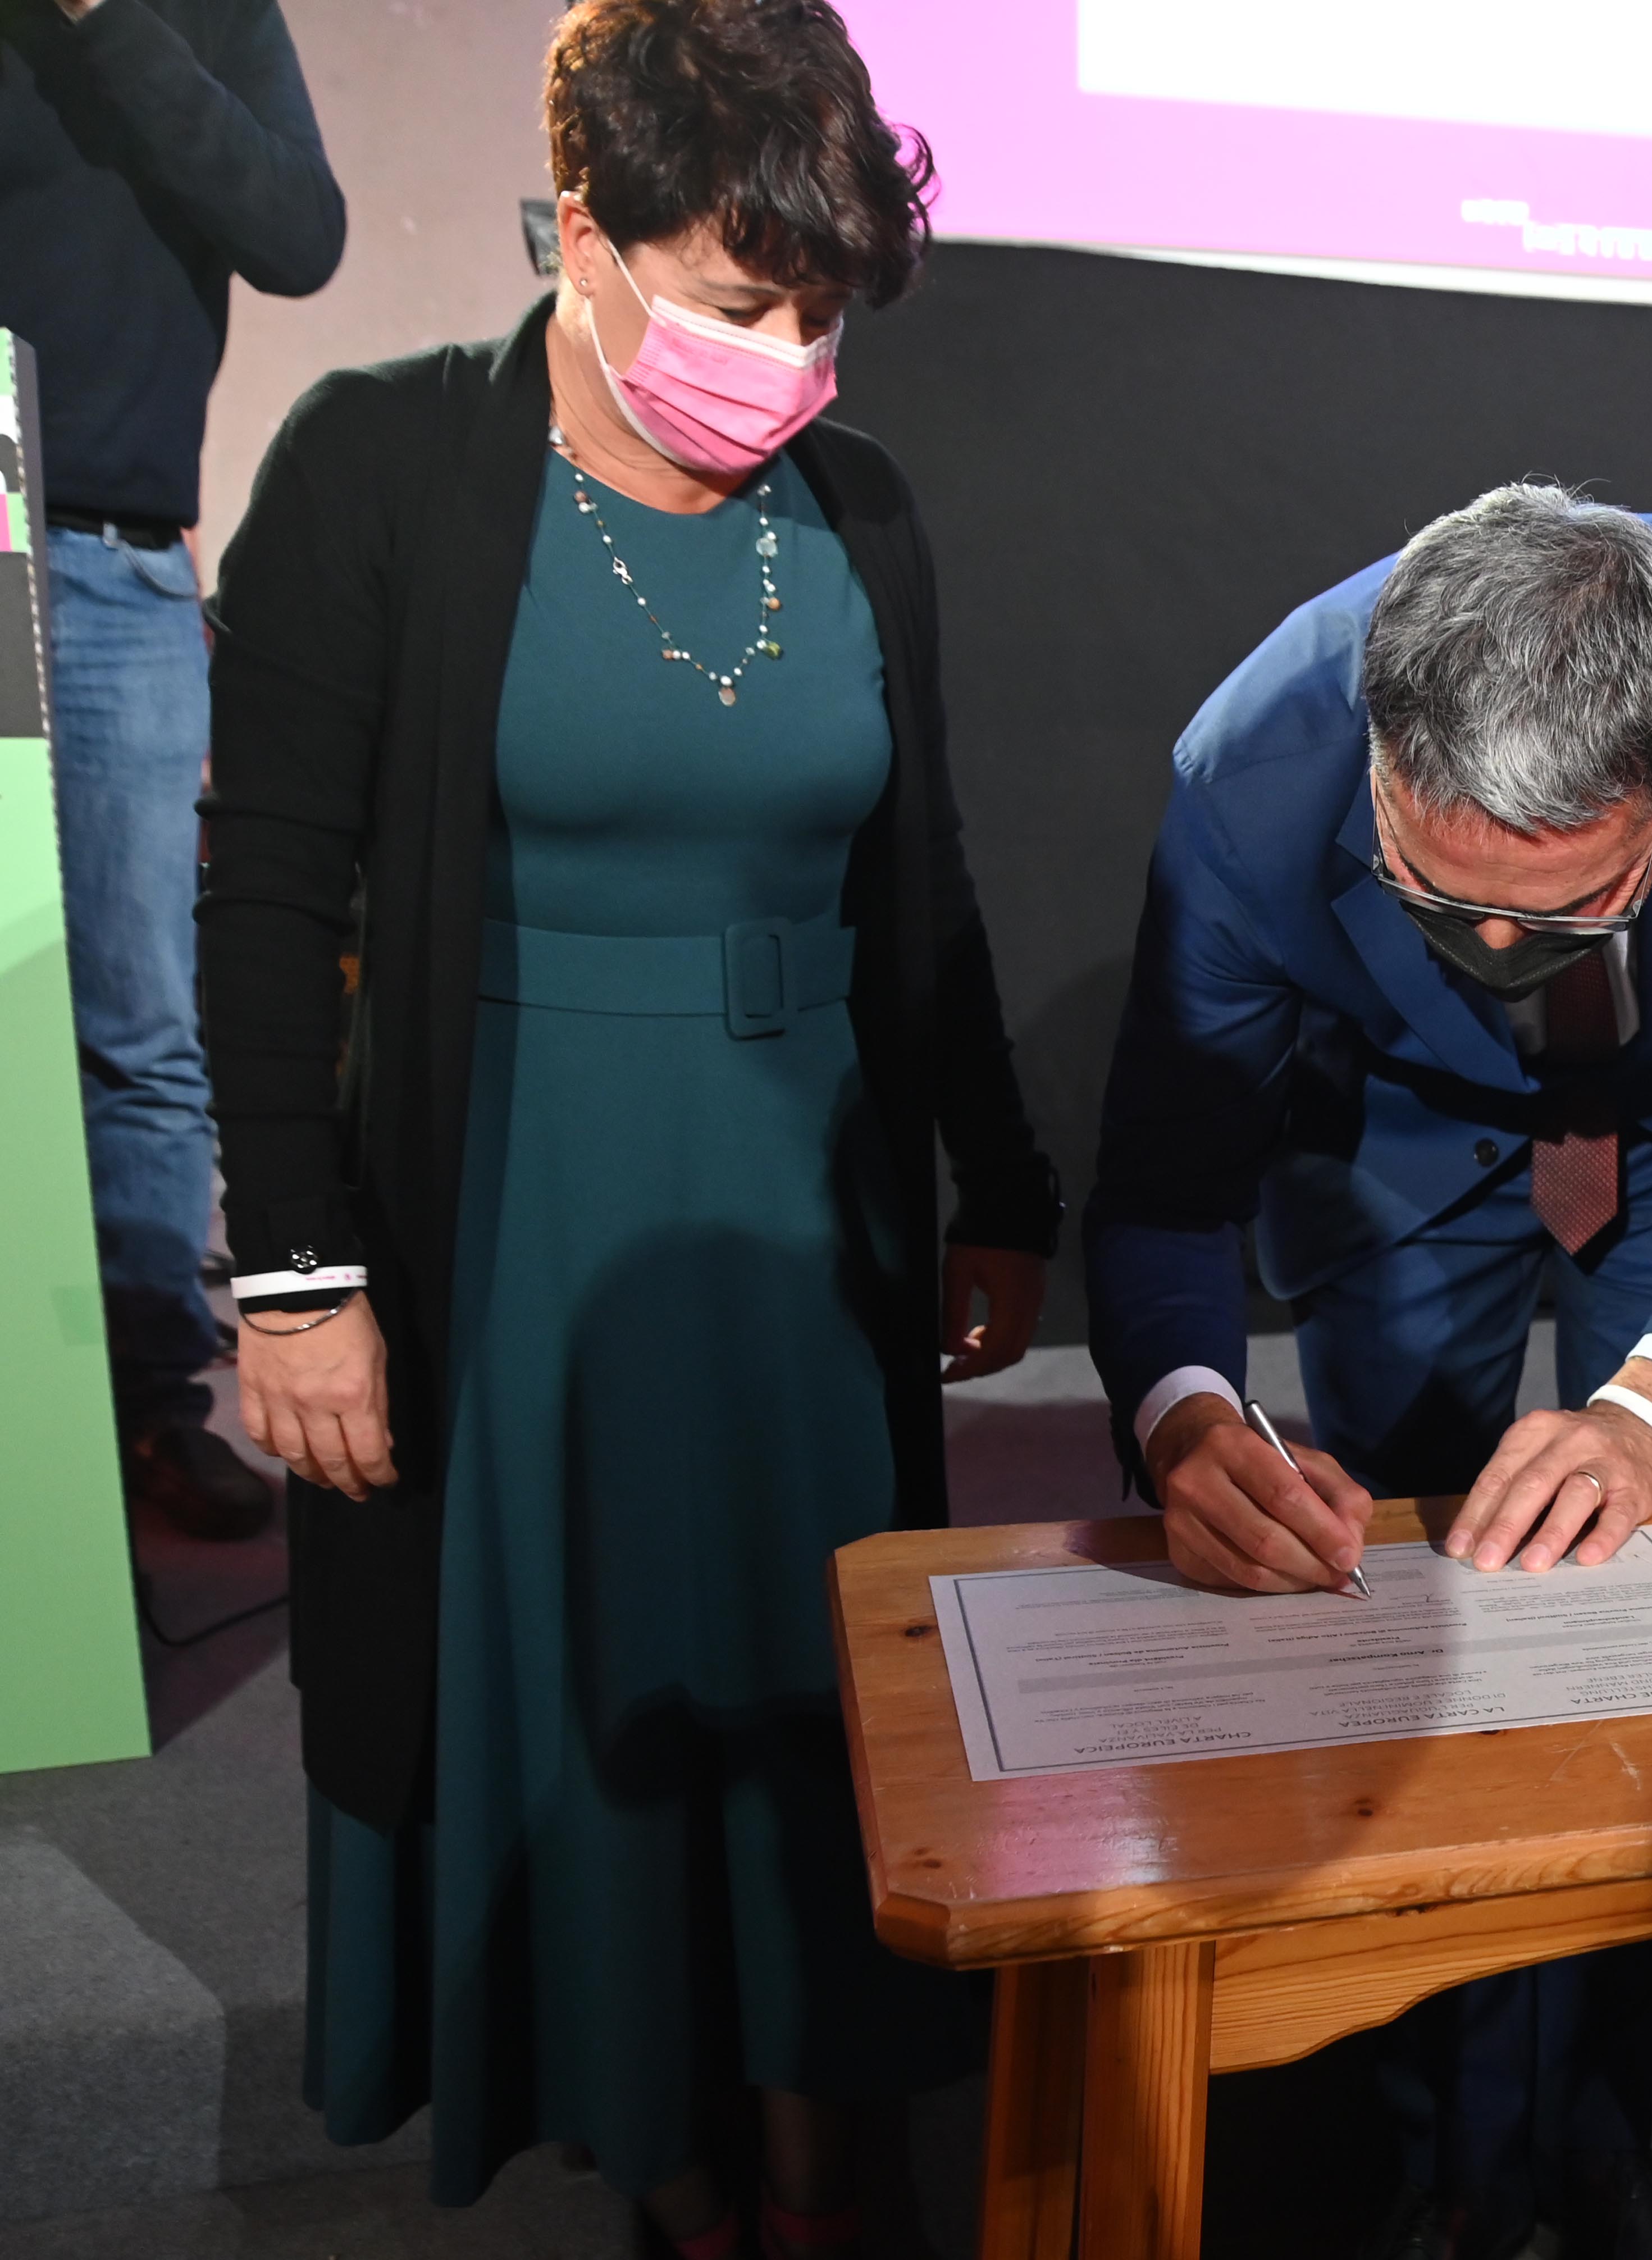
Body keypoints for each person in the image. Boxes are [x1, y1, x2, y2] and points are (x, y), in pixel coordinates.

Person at [198, 2, 1059, 2249]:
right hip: (520, 1208)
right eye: (741, 298)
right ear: (583, 227)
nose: (787, 357)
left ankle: (817, 2126)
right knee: (575, 1694)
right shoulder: (385, 464)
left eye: (826, 313)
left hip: (805, 1231)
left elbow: (928, 875)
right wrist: (296, 1275)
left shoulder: (860, 513)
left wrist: (1002, 1181)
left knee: (807, 1701)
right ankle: (662, 2150)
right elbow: (271, 887)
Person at [1085, 481, 1652, 2259]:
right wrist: (1184, 1424)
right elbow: (1168, 1187)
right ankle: (1431, 2157)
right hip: (1396, 1138)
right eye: (1437, 897)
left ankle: (1595, 2139)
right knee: (1399, 1623)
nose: (1495, 961)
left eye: (1559, 915)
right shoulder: (1255, 767)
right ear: (1378, 754)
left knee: (1641, 1634)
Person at [0, 0, 343, 1538]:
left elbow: (298, 232)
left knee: (136, 1020)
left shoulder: (204, 20)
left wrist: (109, 26)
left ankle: (143, 1404)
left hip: (125, 572)